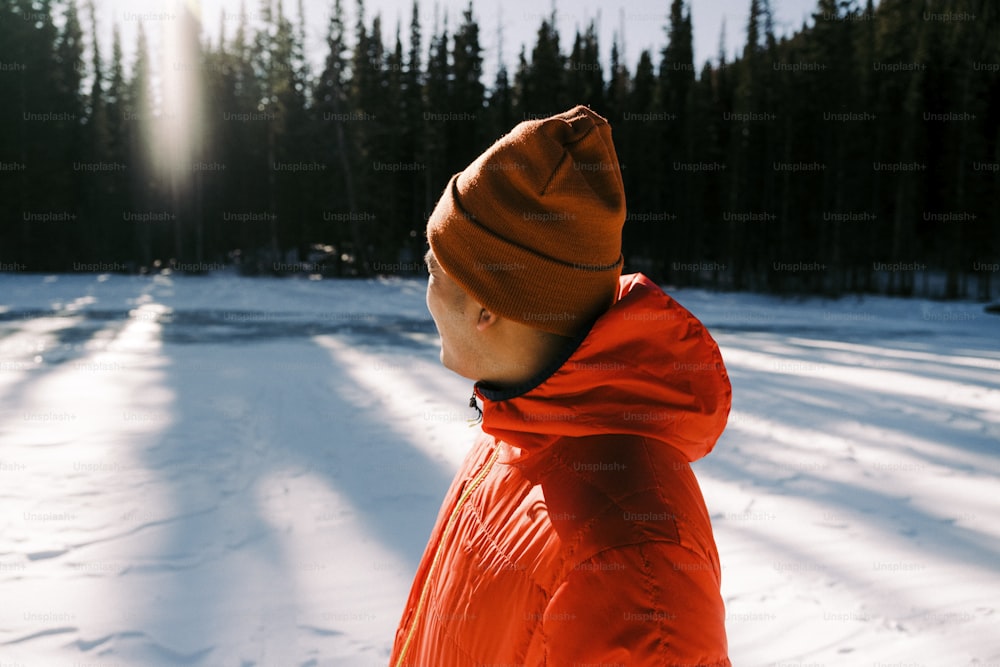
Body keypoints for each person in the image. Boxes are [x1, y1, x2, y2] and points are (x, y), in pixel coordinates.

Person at [390, 105, 732, 666]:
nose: (424, 293)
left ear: (485, 307)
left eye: (433, 269)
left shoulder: (635, 563)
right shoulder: (515, 426)